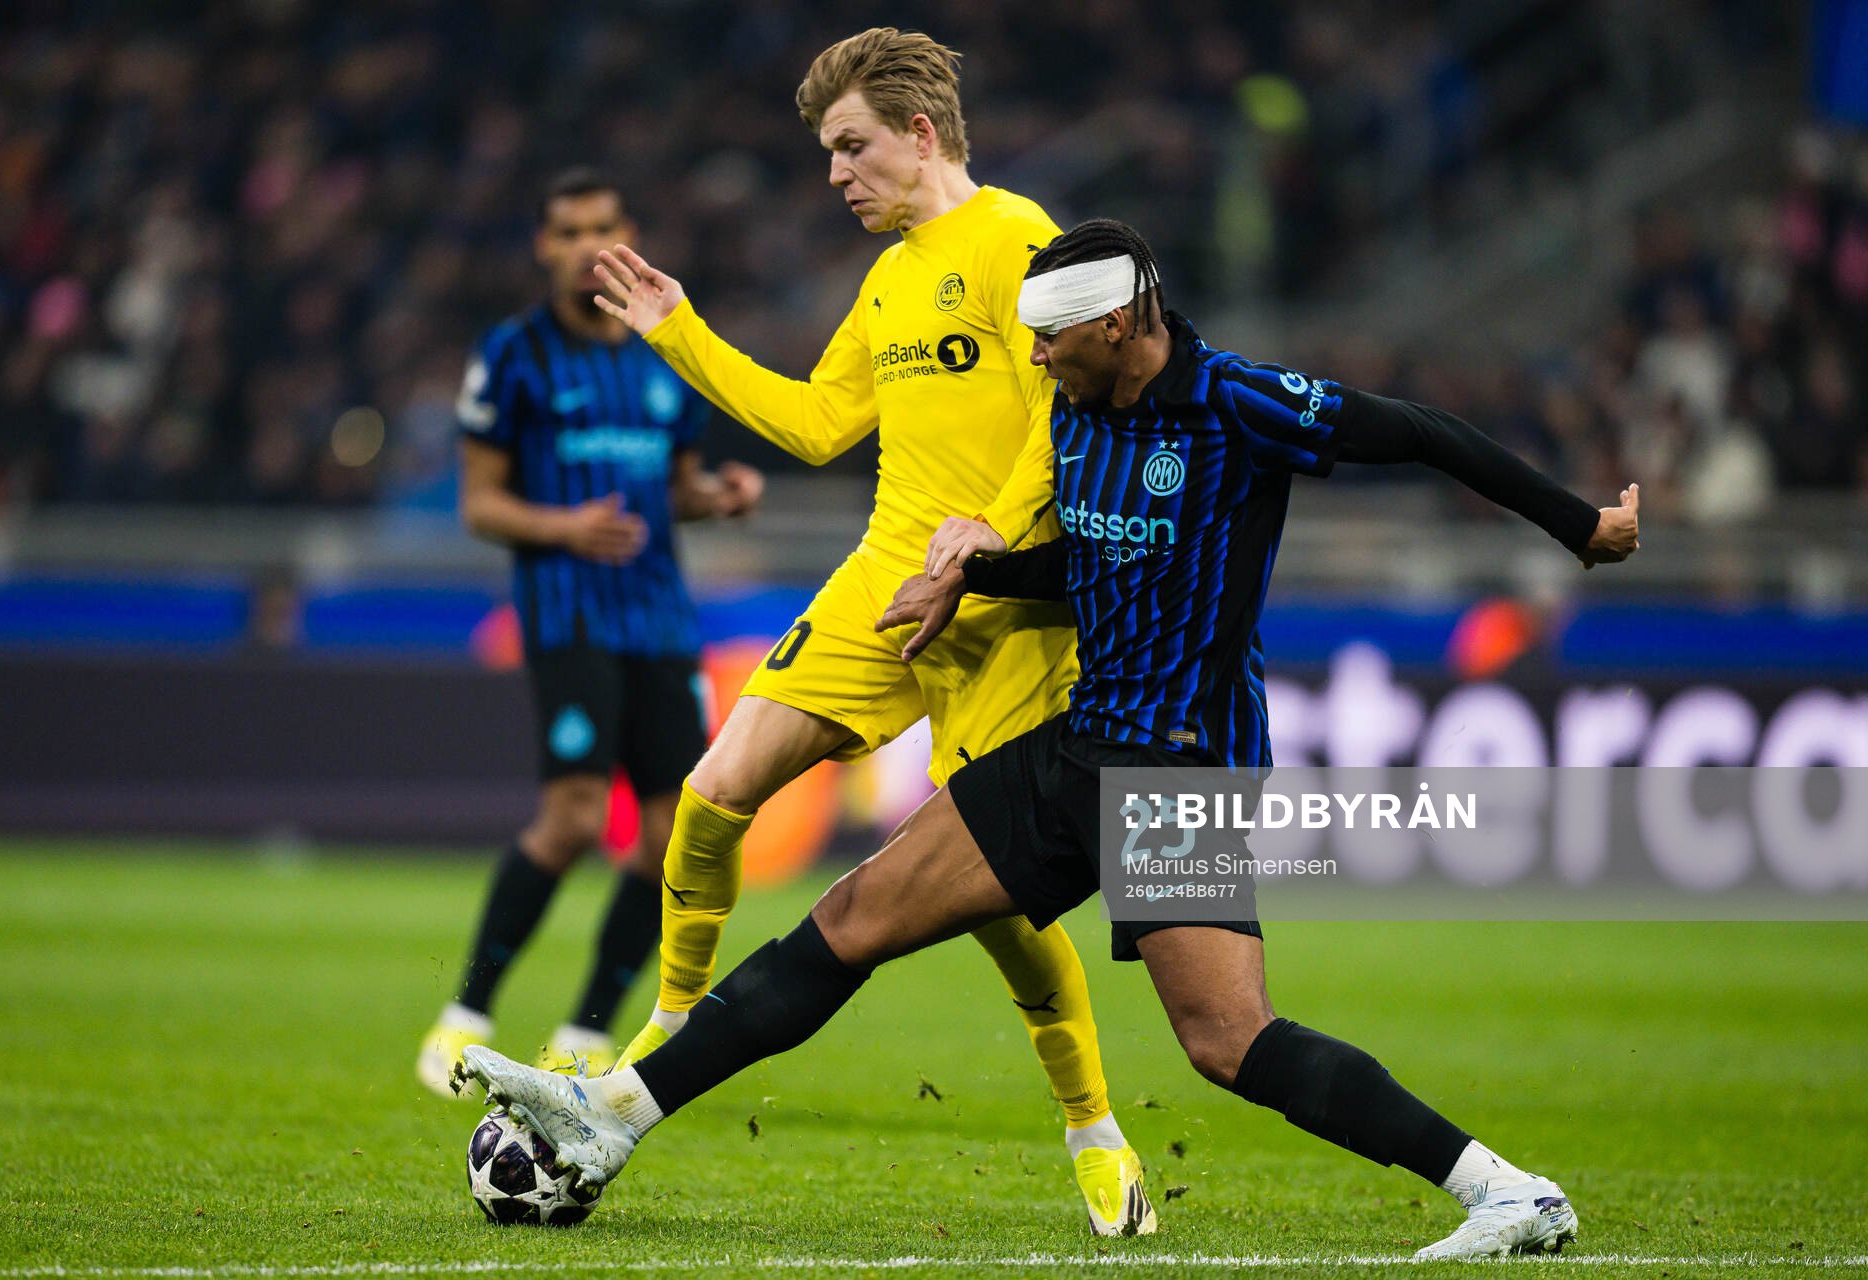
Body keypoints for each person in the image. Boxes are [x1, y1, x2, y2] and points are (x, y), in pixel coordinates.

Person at [459, 217, 1643, 1259]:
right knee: (852, 917)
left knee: (1227, 1041)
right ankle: (617, 1116)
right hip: (1081, 742)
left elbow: (1428, 432)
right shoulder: (1079, 411)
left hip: (1185, 760)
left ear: (1125, 322)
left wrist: (1579, 522)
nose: (1031, 357)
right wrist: (968, 583)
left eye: (1049, 339)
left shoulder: (1241, 404)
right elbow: (1085, 558)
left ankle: (1505, 1191)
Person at [586, 29, 1152, 1234]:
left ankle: (1092, 1121)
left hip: (1001, 599)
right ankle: (672, 1028)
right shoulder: (889, 278)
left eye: (851, 147)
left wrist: (984, 539)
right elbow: (813, 424)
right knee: (712, 786)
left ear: (921, 134)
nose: (836, 174)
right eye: (827, 153)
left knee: (995, 898)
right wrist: (679, 331)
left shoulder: (1017, 241)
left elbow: (1071, 422)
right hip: (886, 574)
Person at [415, 168, 763, 1095]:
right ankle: (465, 1015)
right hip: (569, 618)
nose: (584, 245)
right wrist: (566, 529)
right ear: (543, 245)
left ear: (628, 232)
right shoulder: (513, 354)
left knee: (667, 839)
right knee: (571, 818)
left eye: (601, 226)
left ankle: (583, 1032)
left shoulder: (662, 354)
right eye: (567, 230)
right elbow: (479, 504)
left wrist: (717, 496)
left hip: (660, 621)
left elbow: (672, 488)